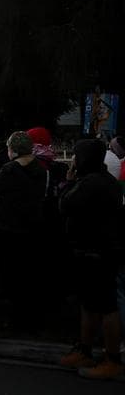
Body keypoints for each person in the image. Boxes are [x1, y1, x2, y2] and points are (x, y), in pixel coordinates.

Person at [56, 139, 125, 380]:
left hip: (98, 252)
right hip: (92, 251)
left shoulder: (91, 183)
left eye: (75, 155)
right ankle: (85, 350)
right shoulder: (104, 180)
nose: (73, 159)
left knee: (105, 306)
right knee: (90, 303)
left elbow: (64, 204)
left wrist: (69, 180)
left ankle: (113, 360)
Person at [0, 131, 48, 329]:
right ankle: (32, 315)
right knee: (28, 273)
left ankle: (14, 318)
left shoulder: (10, 169)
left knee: (9, 274)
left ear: (13, 149)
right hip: (32, 226)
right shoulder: (40, 169)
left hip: (7, 228)